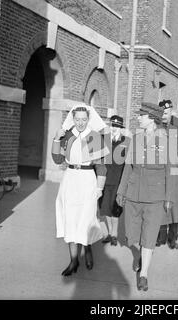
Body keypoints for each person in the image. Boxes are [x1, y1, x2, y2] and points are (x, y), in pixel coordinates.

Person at [116, 103, 173, 291]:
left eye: (142, 115)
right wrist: (121, 191)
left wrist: (168, 197)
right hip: (133, 193)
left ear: (151, 118)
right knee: (131, 234)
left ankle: (144, 274)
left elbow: (170, 171)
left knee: (149, 235)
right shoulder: (136, 139)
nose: (138, 118)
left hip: (155, 196)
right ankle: (140, 254)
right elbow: (128, 167)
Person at [52, 105, 110, 277]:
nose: (80, 123)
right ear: (73, 119)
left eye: (84, 119)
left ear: (88, 119)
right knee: (70, 218)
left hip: (87, 180)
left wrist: (99, 188)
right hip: (70, 179)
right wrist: (56, 139)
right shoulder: (68, 135)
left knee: (86, 217)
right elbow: (57, 159)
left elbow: (101, 166)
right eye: (77, 119)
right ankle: (73, 261)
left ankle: (88, 247)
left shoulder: (94, 137)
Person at [156, 100, 178, 249]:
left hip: (176, 169)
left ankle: (173, 237)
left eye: (166, 112)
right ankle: (161, 236)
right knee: (160, 202)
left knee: (174, 204)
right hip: (159, 169)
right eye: (161, 112)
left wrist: (170, 158)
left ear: (171, 111)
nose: (163, 115)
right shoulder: (156, 125)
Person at [99, 115, 130, 246]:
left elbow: (129, 163)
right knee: (104, 207)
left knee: (115, 209)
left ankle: (114, 235)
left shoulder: (126, 142)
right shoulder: (103, 140)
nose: (114, 128)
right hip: (104, 179)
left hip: (118, 179)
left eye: (117, 126)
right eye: (112, 126)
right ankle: (108, 234)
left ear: (121, 128)